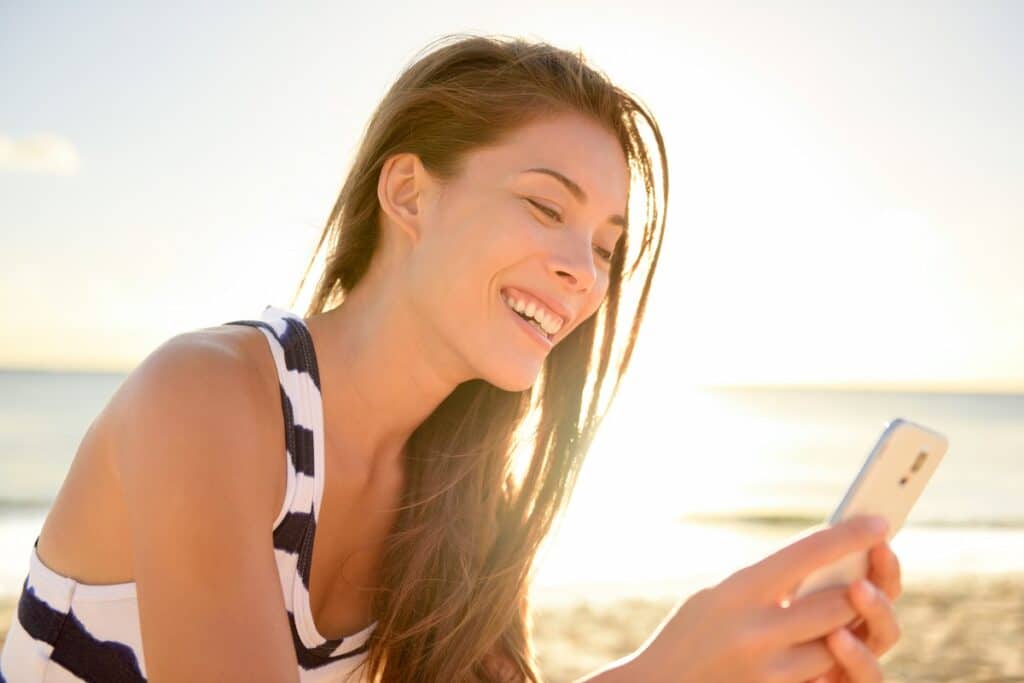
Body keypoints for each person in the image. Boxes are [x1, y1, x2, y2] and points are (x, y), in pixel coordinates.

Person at [0, 33, 902, 683]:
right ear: (408, 194)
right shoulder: (206, 400)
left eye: (606, 244)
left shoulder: (462, 503)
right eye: (546, 207)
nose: (582, 272)